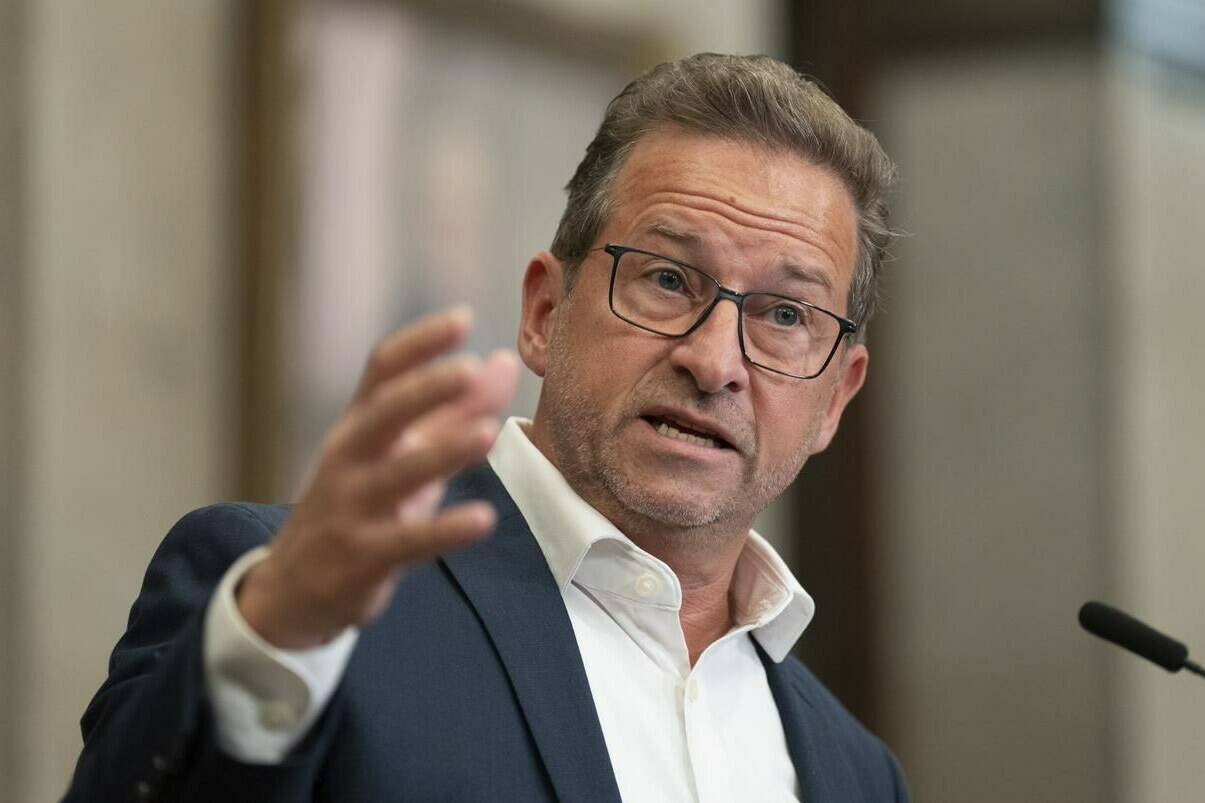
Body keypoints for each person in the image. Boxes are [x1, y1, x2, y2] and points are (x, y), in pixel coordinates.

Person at [64, 53, 906, 802]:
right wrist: (275, 638)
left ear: (835, 397)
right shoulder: (287, 605)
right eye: (666, 277)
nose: (714, 359)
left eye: (786, 313)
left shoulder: (854, 771)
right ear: (543, 310)